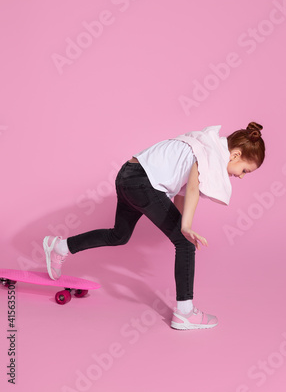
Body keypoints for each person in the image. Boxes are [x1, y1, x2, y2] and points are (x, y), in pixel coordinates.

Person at [43, 122, 265, 330]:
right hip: (142, 183)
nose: (242, 177)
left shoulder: (203, 144)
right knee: (185, 243)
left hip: (127, 176)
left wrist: (179, 225)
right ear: (235, 155)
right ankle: (185, 313)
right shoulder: (210, 154)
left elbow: (180, 193)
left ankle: (60, 247)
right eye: (245, 170)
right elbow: (193, 189)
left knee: (119, 235)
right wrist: (184, 229)